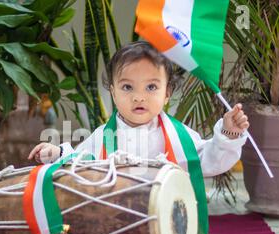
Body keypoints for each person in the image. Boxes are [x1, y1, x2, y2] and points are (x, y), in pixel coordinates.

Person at [28, 41, 249, 177]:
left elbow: (210, 161)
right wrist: (58, 153)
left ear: (167, 93)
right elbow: (81, 162)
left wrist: (229, 134)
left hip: (166, 225)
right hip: (116, 223)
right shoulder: (104, 136)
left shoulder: (178, 136)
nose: (139, 97)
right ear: (113, 93)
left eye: (151, 86)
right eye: (127, 87)